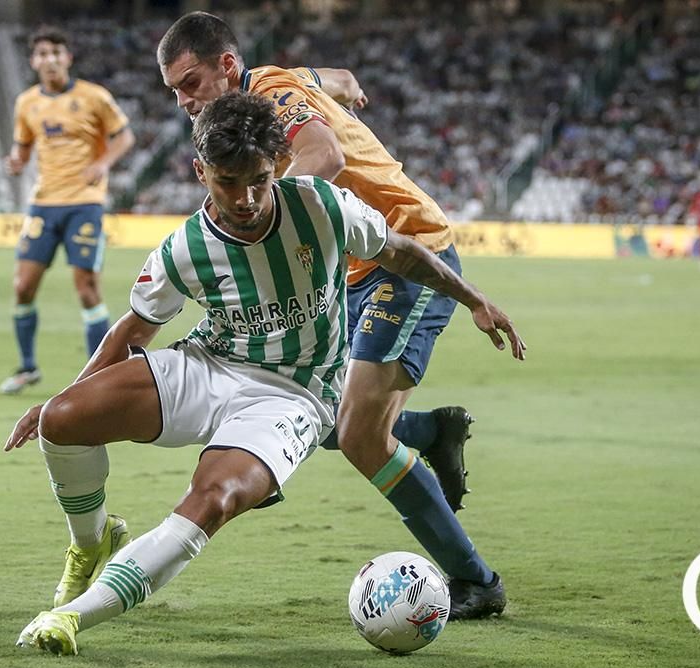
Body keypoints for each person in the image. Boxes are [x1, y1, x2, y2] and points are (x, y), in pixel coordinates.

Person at [4, 92, 523, 655]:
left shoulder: (320, 205)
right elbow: (133, 330)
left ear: (277, 165)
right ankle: (92, 541)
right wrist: (62, 395)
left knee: (214, 498)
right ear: (201, 172)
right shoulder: (184, 249)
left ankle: (72, 617)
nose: (246, 198)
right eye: (228, 182)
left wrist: (475, 300)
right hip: (211, 366)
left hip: (295, 394)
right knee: (62, 419)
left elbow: (402, 252)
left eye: (258, 179)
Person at [157, 11, 522, 618]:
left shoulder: (271, 96)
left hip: (407, 252)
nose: (182, 102)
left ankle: (476, 582)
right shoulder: (276, 80)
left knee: (357, 434)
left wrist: (263, 225)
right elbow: (337, 77)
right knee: (308, 409)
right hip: (349, 270)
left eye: (190, 83)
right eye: (173, 90)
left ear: (227, 66)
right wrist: (343, 85)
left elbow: (322, 153)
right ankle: (432, 432)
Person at [0, 27, 136, 395]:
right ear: (33, 61)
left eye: (56, 52)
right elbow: (23, 148)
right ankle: (27, 367)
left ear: (68, 58)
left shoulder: (94, 97)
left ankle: (99, 374)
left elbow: (124, 136)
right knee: (22, 286)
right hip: (44, 204)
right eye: (42, 53)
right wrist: (16, 161)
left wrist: (103, 163)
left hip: (85, 204)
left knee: (87, 289)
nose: (50, 59)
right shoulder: (26, 102)